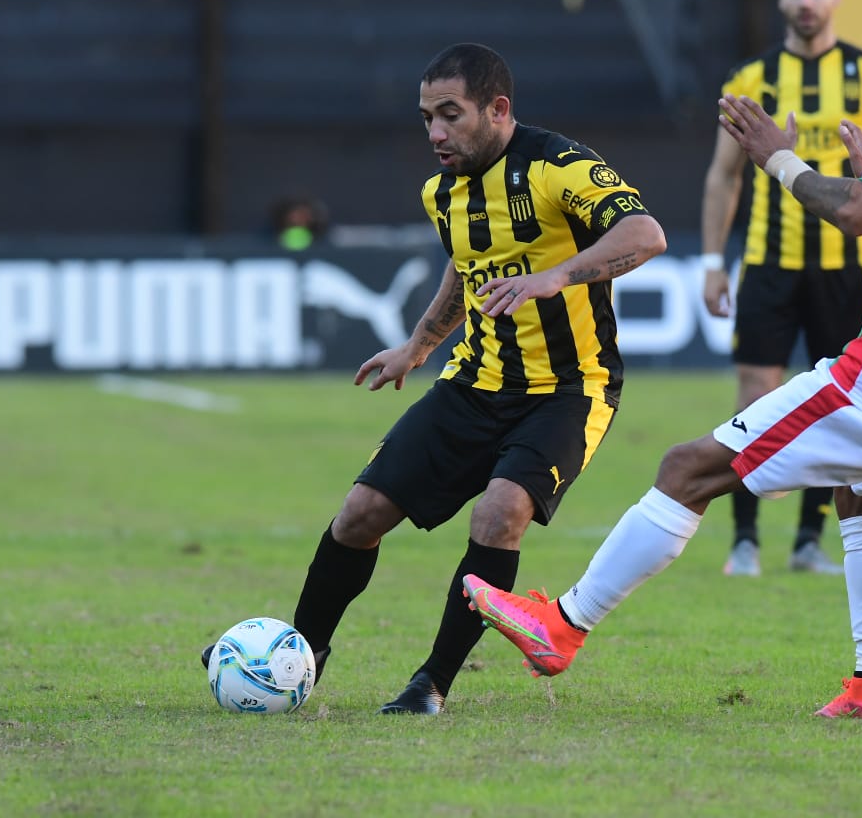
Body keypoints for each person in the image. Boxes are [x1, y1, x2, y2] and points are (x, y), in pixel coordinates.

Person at [466, 0, 862, 719]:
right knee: (858, 496)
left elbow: (854, 213)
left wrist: (778, 156)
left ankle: (562, 625)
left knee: (687, 468)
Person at [203, 42, 667, 714]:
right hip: (474, 381)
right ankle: (298, 655)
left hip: (569, 390)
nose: (436, 134)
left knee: (501, 512)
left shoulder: (558, 165)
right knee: (360, 515)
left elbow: (646, 234)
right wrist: (417, 345)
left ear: (498, 109)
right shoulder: (442, 191)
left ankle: (433, 683)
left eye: (450, 115)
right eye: (426, 118)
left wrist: (556, 275)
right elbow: (464, 264)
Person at [699, 0, 862, 577]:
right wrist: (712, 260)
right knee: (755, 392)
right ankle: (744, 540)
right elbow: (723, 176)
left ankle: (810, 542)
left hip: (847, 273)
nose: (806, 2)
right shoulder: (749, 81)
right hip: (768, 263)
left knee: (839, 403)